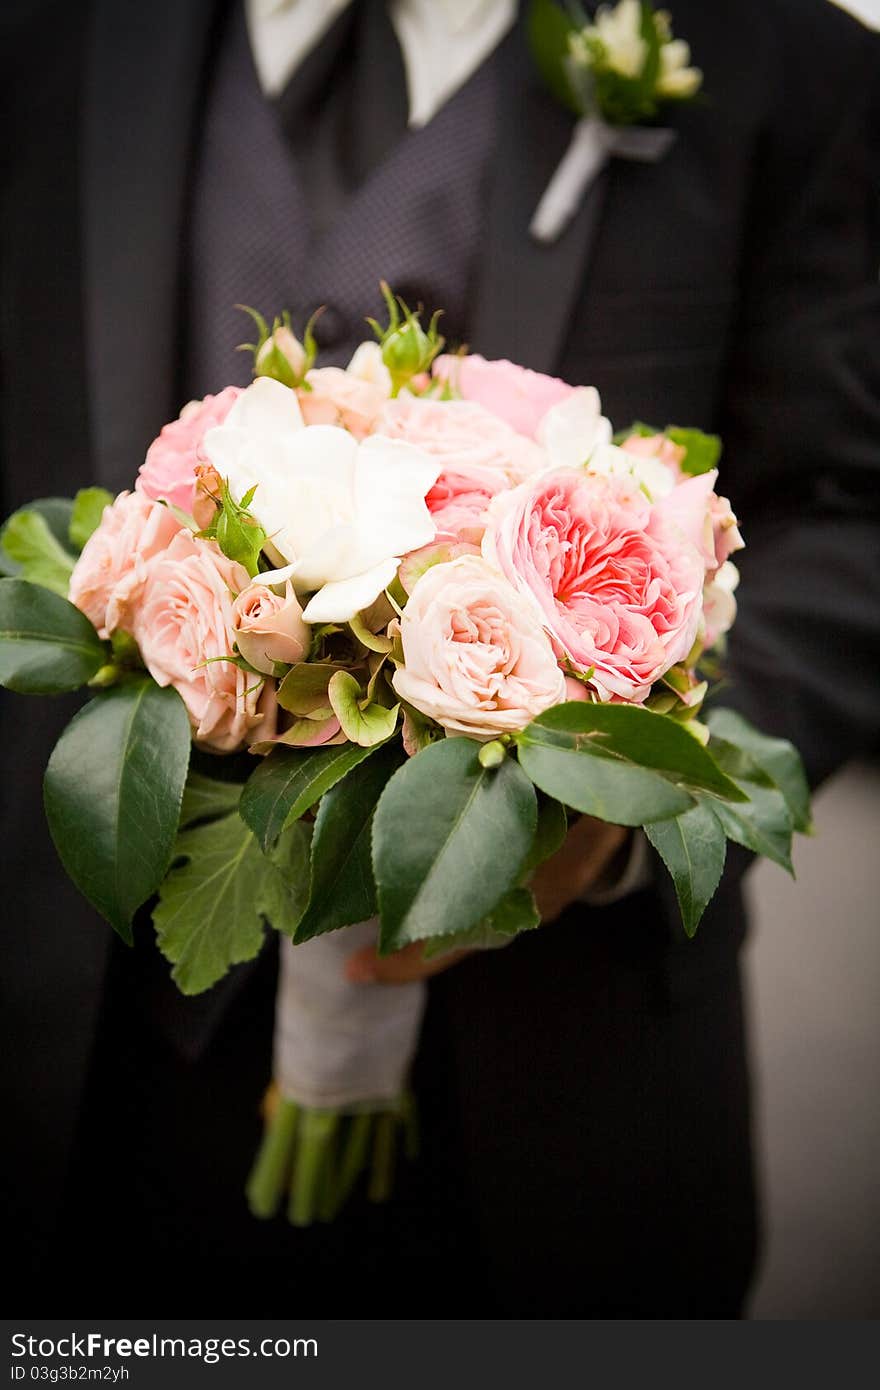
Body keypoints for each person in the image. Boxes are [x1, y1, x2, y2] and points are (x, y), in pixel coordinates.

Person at [1, 0, 878, 1316]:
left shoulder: (790, 60)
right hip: (82, 1075)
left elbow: (850, 514)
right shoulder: (49, 37)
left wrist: (623, 800)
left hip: (553, 1127)